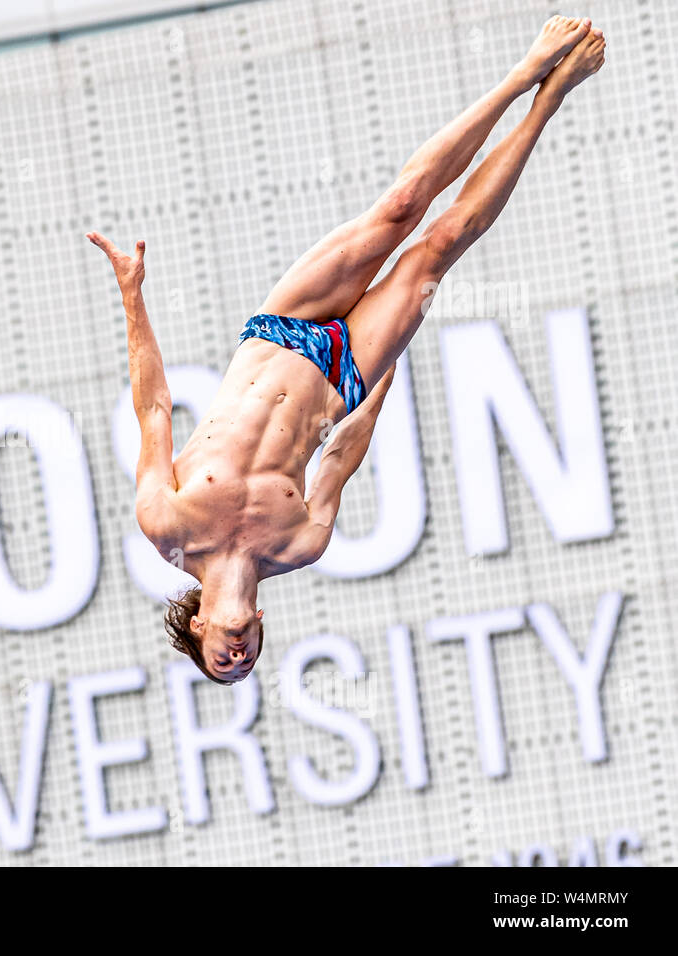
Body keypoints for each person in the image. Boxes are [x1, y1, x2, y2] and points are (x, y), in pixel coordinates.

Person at [87, 17, 605, 684]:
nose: (239, 659)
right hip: (345, 374)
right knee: (441, 247)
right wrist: (377, 387)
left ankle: (526, 70)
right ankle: (553, 97)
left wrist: (133, 296)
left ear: (199, 626)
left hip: (281, 331)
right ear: (263, 627)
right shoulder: (298, 543)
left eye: (222, 660)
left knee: (399, 209)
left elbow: (153, 409)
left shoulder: (167, 523)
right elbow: (339, 458)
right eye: (245, 664)